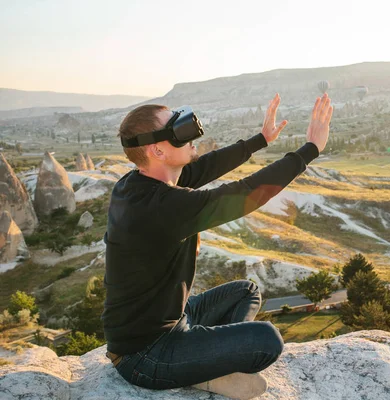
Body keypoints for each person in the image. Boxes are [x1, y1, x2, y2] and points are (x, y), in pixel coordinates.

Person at [102, 93, 333, 399]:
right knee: (267, 340)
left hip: (173, 320)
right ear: (157, 150)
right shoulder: (160, 206)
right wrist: (310, 150)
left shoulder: (136, 183)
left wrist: (260, 140)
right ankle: (202, 367)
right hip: (144, 354)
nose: (192, 133)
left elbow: (204, 168)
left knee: (246, 291)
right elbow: (242, 194)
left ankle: (205, 360)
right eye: (177, 129)